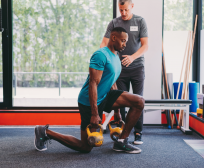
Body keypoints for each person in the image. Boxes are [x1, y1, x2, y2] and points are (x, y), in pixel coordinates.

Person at [34, 27, 145, 154]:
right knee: (85, 147)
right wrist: (94, 113)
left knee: (139, 101)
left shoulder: (115, 56)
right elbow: (93, 83)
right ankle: (45, 132)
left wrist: (117, 111)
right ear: (113, 38)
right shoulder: (100, 55)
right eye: (123, 41)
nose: (125, 44)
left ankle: (122, 142)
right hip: (89, 101)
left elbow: (112, 81)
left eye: (126, 41)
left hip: (105, 95)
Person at [100, 0, 149, 145]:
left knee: (138, 100)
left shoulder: (140, 21)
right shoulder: (114, 23)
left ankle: (138, 132)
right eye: (121, 10)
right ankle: (123, 132)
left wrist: (132, 57)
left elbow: (145, 45)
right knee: (121, 102)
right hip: (119, 69)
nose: (123, 13)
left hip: (137, 68)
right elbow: (104, 43)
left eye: (126, 10)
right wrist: (105, 57)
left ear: (132, 6)